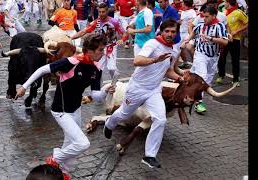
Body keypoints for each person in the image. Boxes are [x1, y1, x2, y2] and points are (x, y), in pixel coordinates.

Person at [15, 33, 115, 175]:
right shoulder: (72, 61)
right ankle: (55, 157)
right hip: (61, 110)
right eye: (100, 50)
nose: (102, 53)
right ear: (90, 50)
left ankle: (64, 174)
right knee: (82, 144)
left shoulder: (96, 69)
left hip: (76, 109)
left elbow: (96, 96)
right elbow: (42, 69)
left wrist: (106, 90)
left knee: (71, 146)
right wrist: (24, 86)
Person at [103, 19, 184, 168]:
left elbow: (168, 70)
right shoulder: (152, 44)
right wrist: (154, 60)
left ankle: (149, 155)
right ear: (162, 31)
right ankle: (109, 123)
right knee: (123, 114)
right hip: (137, 88)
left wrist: (180, 78)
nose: (170, 34)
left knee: (160, 119)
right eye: (167, 31)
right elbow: (137, 60)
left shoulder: (173, 50)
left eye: (173, 32)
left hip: (153, 91)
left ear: (177, 33)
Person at [181, 6, 228, 113]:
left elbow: (225, 42)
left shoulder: (219, 26)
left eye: (206, 17)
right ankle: (199, 102)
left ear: (214, 16)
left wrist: (211, 38)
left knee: (207, 80)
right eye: (203, 16)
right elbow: (192, 33)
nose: (204, 19)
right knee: (202, 75)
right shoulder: (201, 25)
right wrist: (186, 40)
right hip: (200, 54)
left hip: (214, 56)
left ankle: (188, 91)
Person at [71, 3, 128, 79]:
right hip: (99, 49)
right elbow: (83, 31)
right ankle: (98, 87)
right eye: (99, 12)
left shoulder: (114, 22)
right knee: (98, 69)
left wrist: (122, 39)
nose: (101, 14)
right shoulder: (96, 22)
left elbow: (124, 33)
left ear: (107, 11)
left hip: (112, 47)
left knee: (112, 68)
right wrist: (72, 37)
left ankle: (114, 82)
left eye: (103, 12)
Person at [216, 0, 248, 86]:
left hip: (235, 40)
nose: (224, 4)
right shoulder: (223, 12)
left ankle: (236, 79)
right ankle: (221, 76)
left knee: (235, 60)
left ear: (228, 3)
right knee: (221, 58)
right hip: (224, 39)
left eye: (225, 2)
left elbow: (247, 23)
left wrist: (237, 31)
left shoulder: (239, 13)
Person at [177, 0, 196, 68]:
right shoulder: (183, 12)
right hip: (181, 33)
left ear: (186, 4)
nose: (181, 4)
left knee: (189, 47)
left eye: (182, 3)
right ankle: (185, 62)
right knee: (179, 49)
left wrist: (191, 21)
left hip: (188, 33)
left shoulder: (192, 12)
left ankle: (195, 64)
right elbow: (181, 22)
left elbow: (194, 21)